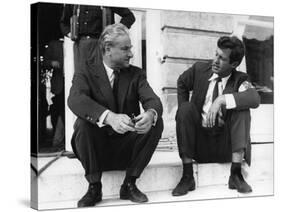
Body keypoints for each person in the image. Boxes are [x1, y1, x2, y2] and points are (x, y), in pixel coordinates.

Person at [68, 23, 163, 207]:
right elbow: (75, 99)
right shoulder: (86, 70)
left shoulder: (136, 74)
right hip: (96, 150)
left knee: (155, 122)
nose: (131, 54)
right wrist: (109, 117)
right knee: (82, 124)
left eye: (130, 48)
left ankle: (129, 184)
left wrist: (151, 114)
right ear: (108, 49)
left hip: (125, 149)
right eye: (125, 49)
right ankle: (94, 186)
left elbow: (153, 101)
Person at [172, 36, 260, 196]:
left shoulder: (240, 79)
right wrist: (185, 119)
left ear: (234, 64)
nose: (215, 61)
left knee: (242, 108)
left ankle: (236, 174)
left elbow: (254, 98)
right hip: (199, 144)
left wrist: (222, 99)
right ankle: (187, 176)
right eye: (216, 54)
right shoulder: (199, 69)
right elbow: (181, 83)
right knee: (185, 108)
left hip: (226, 147)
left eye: (222, 58)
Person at [60, 4, 135, 73]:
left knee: (102, 76)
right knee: (81, 76)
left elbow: (129, 16)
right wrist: (70, 34)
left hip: (102, 44)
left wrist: (115, 32)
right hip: (81, 45)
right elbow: (63, 23)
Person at [43, 39, 65, 148]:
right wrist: (52, 63)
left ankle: (61, 140)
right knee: (57, 112)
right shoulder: (53, 44)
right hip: (59, 84)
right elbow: (44, 62)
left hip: (75, 82)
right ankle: (58, 141)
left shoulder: (79, 41)